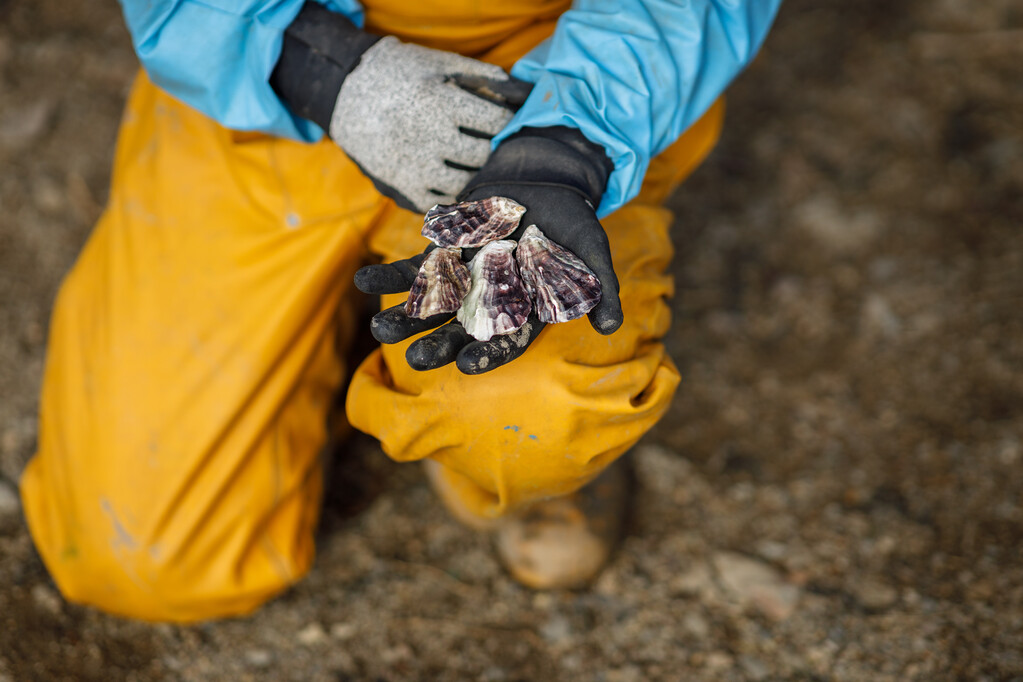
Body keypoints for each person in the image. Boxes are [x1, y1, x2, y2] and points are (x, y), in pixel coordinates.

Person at [19, 0, 782, 622]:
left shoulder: (554, 128)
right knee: (145, 560)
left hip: (536, 94)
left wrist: (563, 146)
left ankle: (497, 466)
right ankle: (345, 336)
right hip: (255, 94)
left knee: (530, 416)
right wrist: (307, 62)